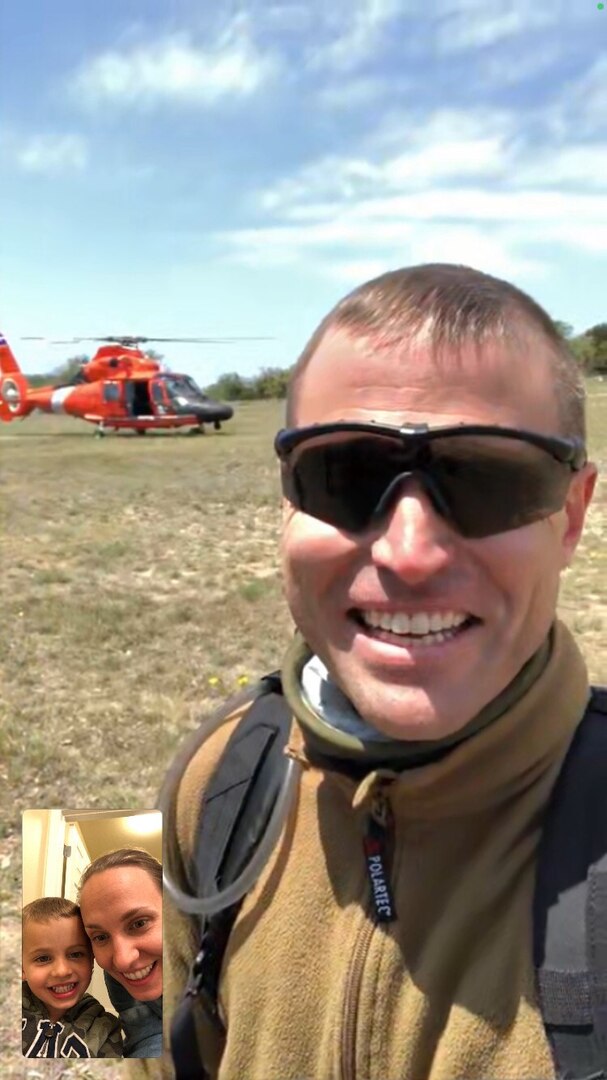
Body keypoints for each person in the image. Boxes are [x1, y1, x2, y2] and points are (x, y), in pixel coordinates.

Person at [161, 263, 603, 1080]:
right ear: (288, 503)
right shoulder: (221, 783)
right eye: (345, 474)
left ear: (570, 515)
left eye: (488, 479)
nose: (409, 553)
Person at [78, 847, 163, 1059]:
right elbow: (147, 1035)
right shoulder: (119, 976)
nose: (122, 960)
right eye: (100, 937)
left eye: (139, 923)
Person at [22, 896, 123, 1057]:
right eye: (43, 958)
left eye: (76, 954)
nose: (62, 971)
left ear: (91, 960)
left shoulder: (104, 1028)